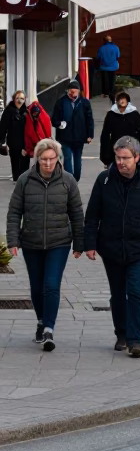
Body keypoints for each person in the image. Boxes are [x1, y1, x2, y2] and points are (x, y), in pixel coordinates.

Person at [83, 136, 140, 358]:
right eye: (118, 157)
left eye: (125, 158)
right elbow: (92, 215)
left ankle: (135, 340)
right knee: (118, 293)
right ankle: (121, 333)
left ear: (137, 157)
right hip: (111, 248)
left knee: (136, 291)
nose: (121, 162)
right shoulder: (104, 180)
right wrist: (89, 244)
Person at [5, 137, 83, 352]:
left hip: (59, 242)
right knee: (37, 286)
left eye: (51, 159)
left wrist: (79, 243)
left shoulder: (68, 181)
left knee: (51, 284)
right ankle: (41, 321)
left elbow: (77, 214)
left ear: (58, 159)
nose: (48, 163)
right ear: (37, 159)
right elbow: (14, 212)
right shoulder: (25, 180)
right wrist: (13, 240)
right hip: (31, 241)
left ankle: (49, 328)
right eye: (43, 159)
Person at [53, 79, 94, 181]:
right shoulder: (61, 102)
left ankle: (76, 178)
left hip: (79, 137)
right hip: (64, 137)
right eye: (71, 90)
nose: (72, 92)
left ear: (79, 91)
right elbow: (54, 119)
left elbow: (89, 119)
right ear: (67, 91)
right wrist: (60, 124)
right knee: (67, 159)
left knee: (77, 161)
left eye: (75, 90)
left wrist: (90, 135)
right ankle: (70, 180)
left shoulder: (84, 103)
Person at [100, 91, 140, 168]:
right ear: (116, 101)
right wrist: (106, 157)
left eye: (124, 99)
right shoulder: (111, 115)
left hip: (132, 150)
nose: (122, 101)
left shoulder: (134, 114)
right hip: (116, 151)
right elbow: (105, 135)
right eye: (120, 99)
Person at [0, 90, 28, 181]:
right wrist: (2, 141)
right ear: (14, 99)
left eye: (22, 98)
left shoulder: (27, 111)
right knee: (15, 161)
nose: (19, 100)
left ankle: (24, 180)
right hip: (13, 141)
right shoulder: (9, 111)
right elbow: (3, 126)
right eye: (17, 98)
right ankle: (17, 179)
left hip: (26, 141)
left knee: (25, 162)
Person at [95, 35, 120, 103]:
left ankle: (106, 93)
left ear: (104, 40)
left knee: (105, 80)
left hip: (104, 67)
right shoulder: (115, 47)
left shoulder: (101, 48)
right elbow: (118, 56)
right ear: (111, 40)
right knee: (112, 80)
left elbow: (98, 57)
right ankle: (112, 92)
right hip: (113, 66)